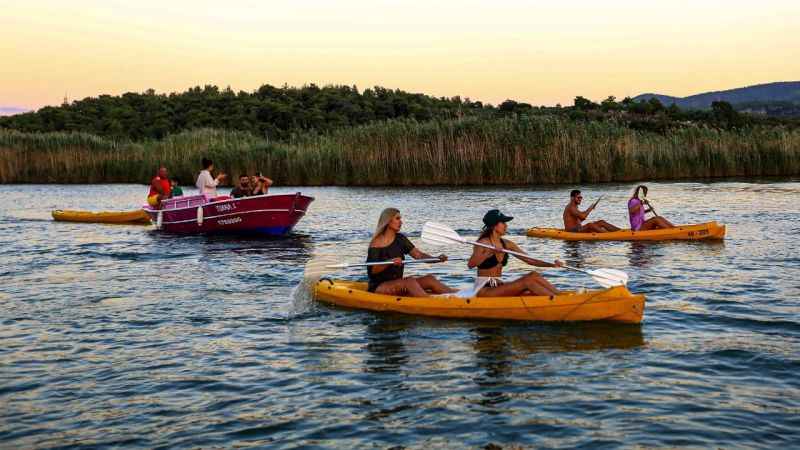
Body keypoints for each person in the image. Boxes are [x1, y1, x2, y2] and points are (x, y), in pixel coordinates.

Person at [469, 209, 563, 297]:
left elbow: (529, 260)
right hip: (484, 289)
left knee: (534, 275)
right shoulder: (483, 243)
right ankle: (558, 301)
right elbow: (471, 264)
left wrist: (552, 264)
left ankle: (561, 296)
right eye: (503, 223)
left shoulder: (507, 244)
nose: (506, 225)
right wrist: (489, 252)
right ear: (494, 225)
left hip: (498, 285)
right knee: (527, 281)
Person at [367, 208, 457, 297]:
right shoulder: (376, 243)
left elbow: (419, 255)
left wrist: (436, 259)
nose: (401, 222)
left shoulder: (401, 239)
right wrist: (389, 262)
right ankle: (429, 302)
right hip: (379, 286)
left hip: (398, 283)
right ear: (388, 221)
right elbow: (373, 270)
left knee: (430, 279)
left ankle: (460, 297)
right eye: (397, 219)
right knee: (409, 281)